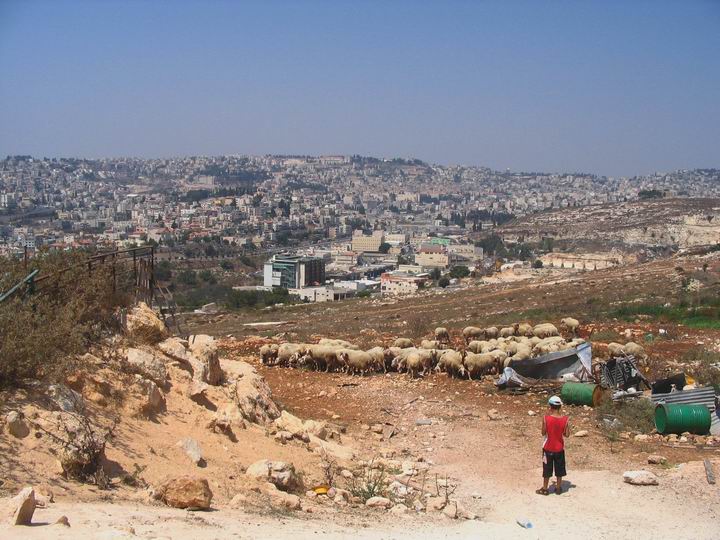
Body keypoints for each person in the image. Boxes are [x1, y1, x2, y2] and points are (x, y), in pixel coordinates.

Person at [536, 395, 569, 495]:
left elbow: (543, 432)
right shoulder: (565, 419)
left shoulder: (546, 418)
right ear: (560, 407)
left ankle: (545, 489)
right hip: (559, 449)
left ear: (550, 406)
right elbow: (567, 434)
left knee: (547, 469)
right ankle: (558, 488)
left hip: (548, 448)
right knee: (559, 469)